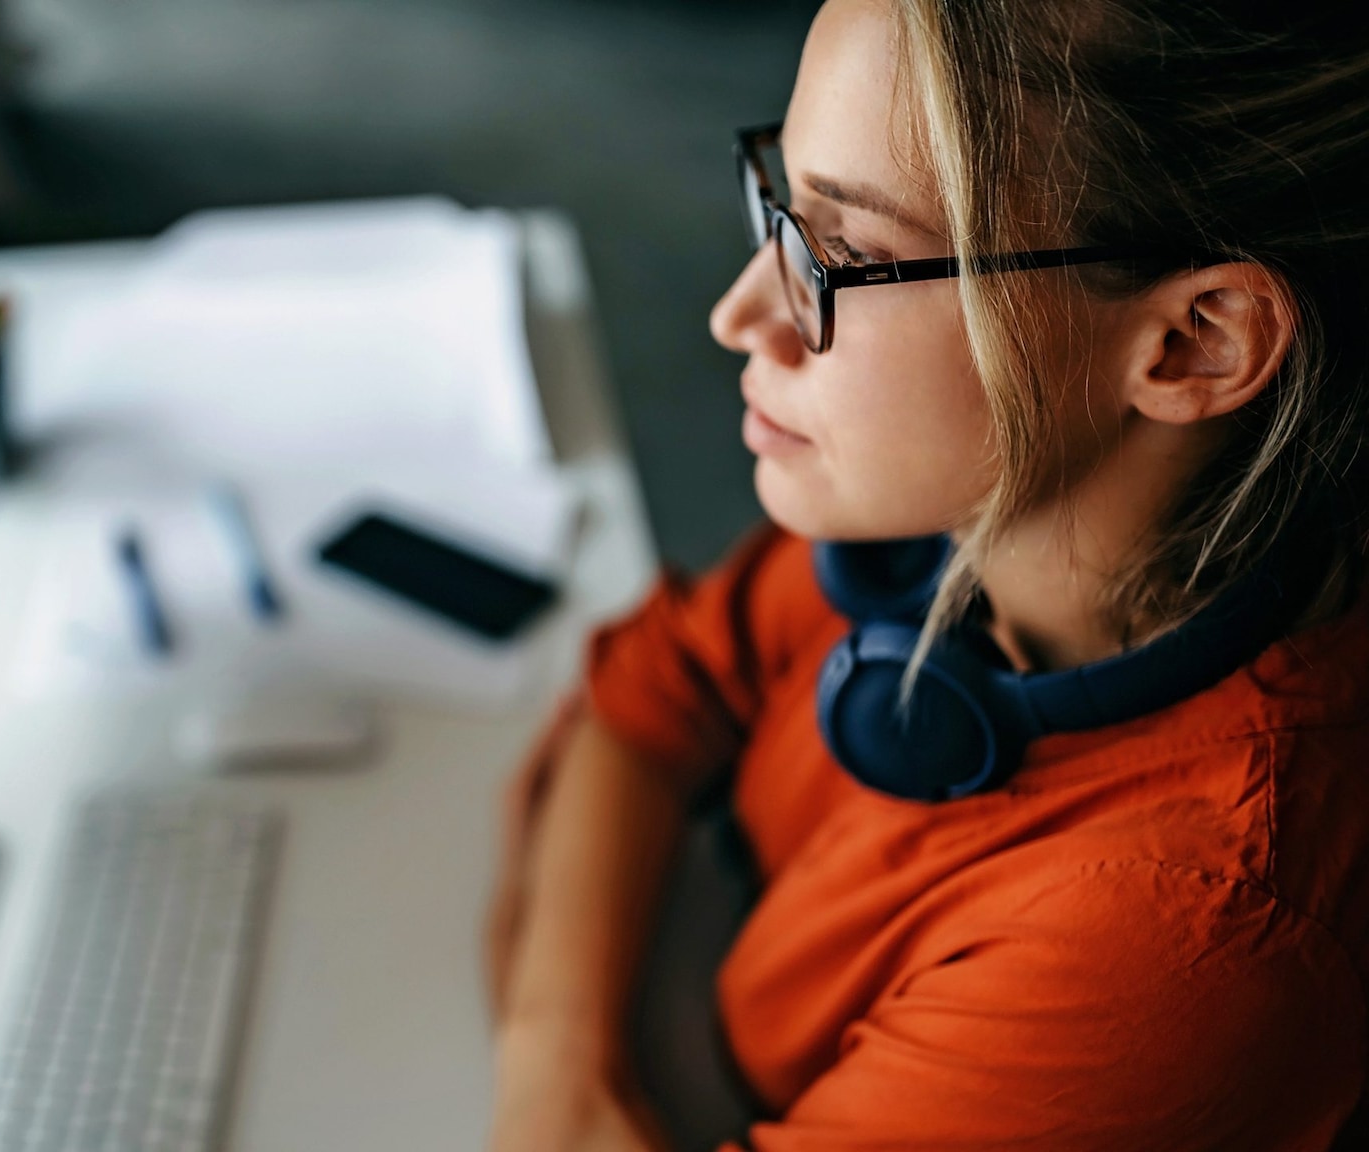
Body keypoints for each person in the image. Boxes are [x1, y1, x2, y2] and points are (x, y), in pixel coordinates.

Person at [483, 1, 1369, 1149]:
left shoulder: (1175, 946)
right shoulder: (943, 509)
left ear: (1192, 342)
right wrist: (554, 1063)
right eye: (783, 204)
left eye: (843, 253)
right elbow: (657, 685)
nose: (740, 312)